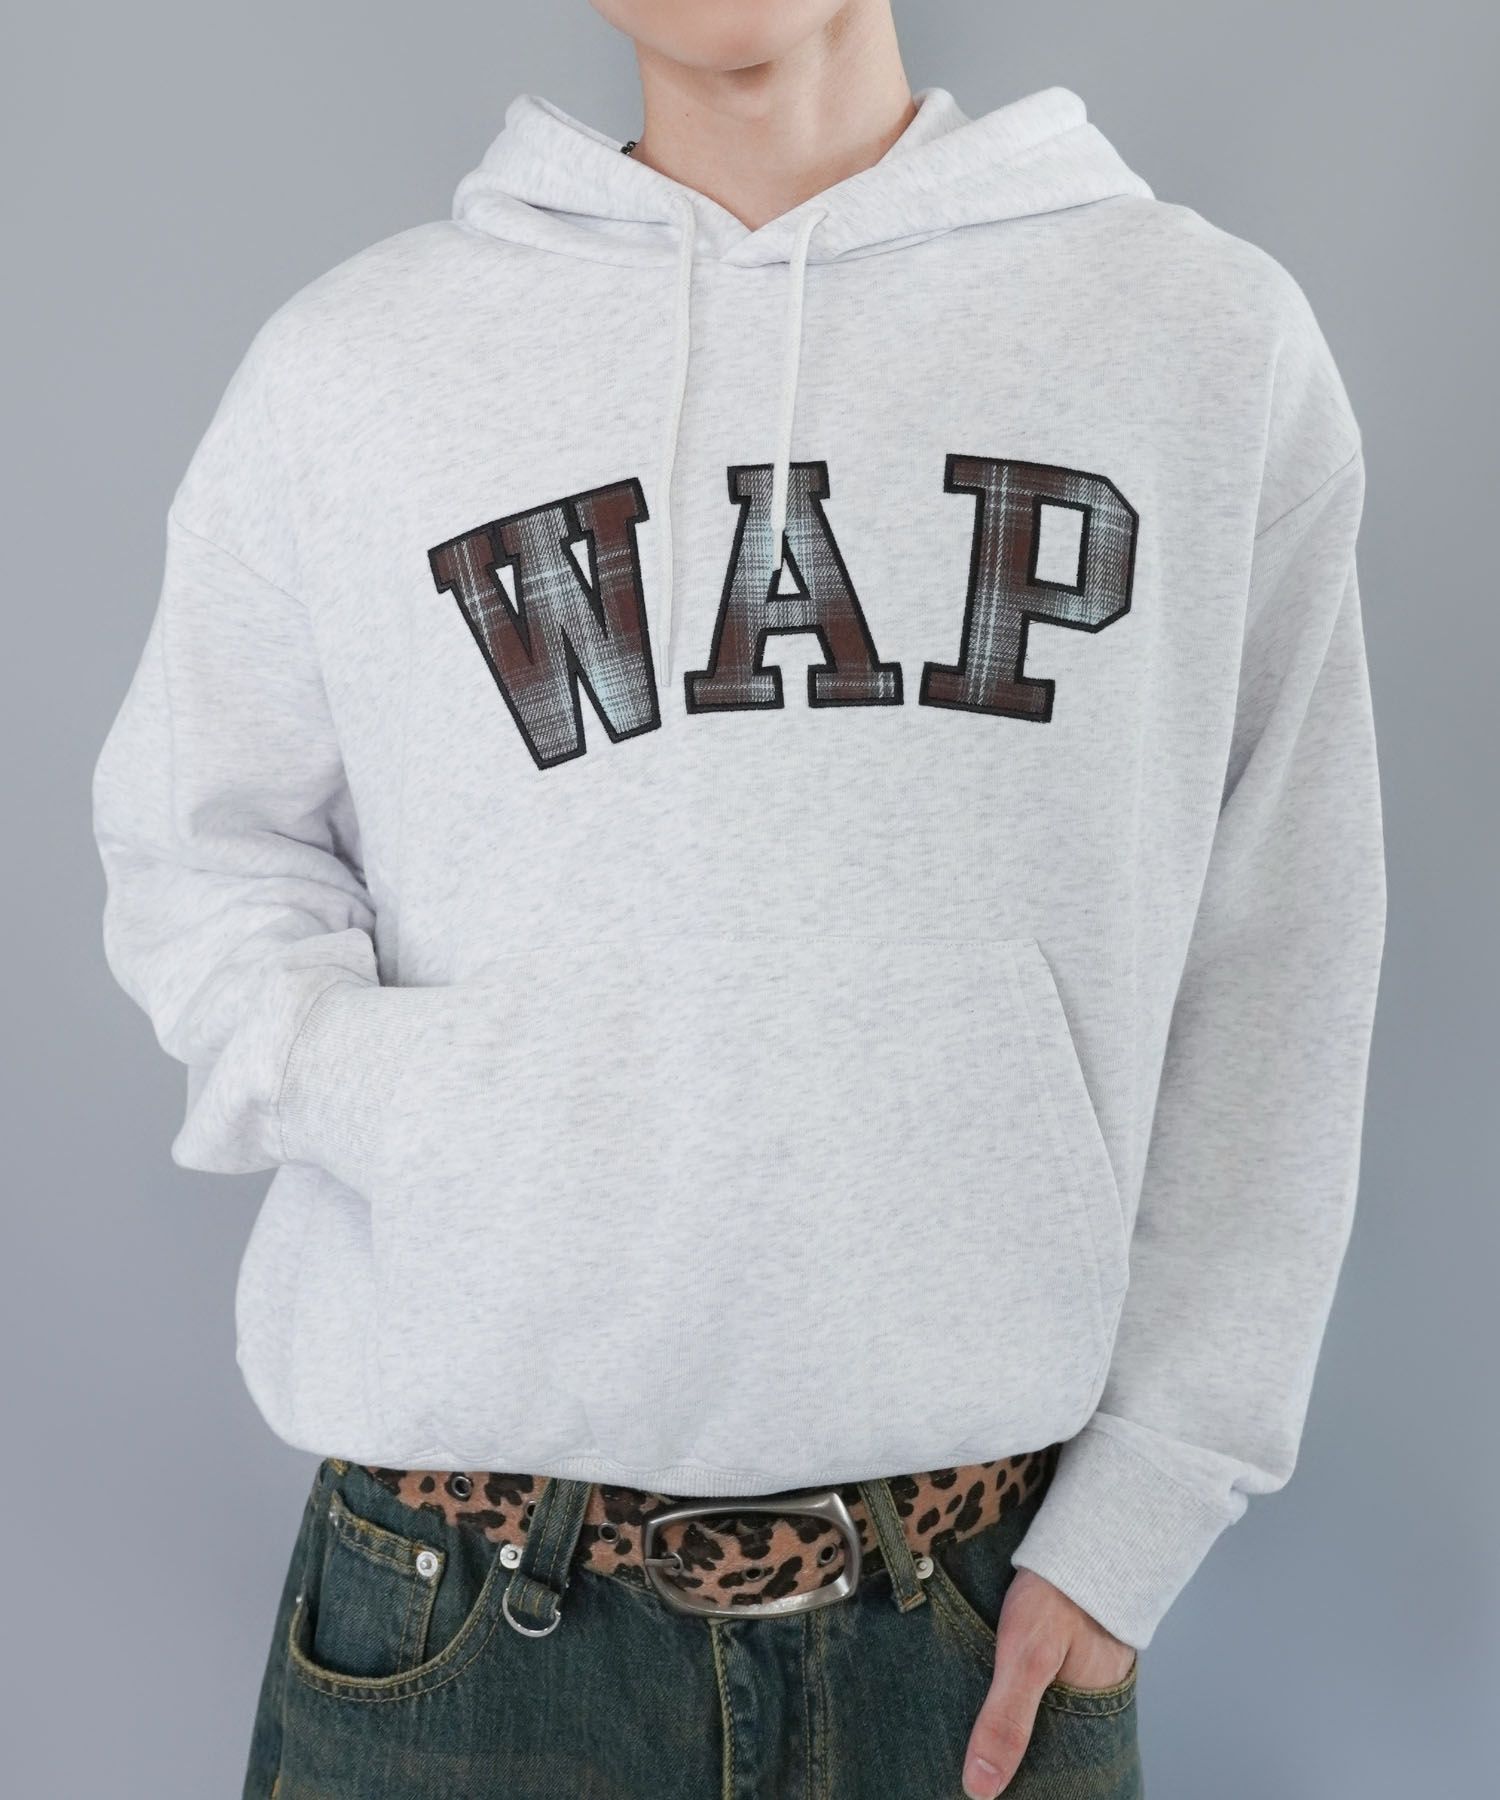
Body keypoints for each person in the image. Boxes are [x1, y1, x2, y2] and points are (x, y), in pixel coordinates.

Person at [89, 1, 1386, 1794]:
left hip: (962, 1626)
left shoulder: (1199, 337)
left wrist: (1151, 1499)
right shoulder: (351, 369)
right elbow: (201, 855)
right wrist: (431, 1099)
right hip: (461, 1618)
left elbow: (1285, 949)